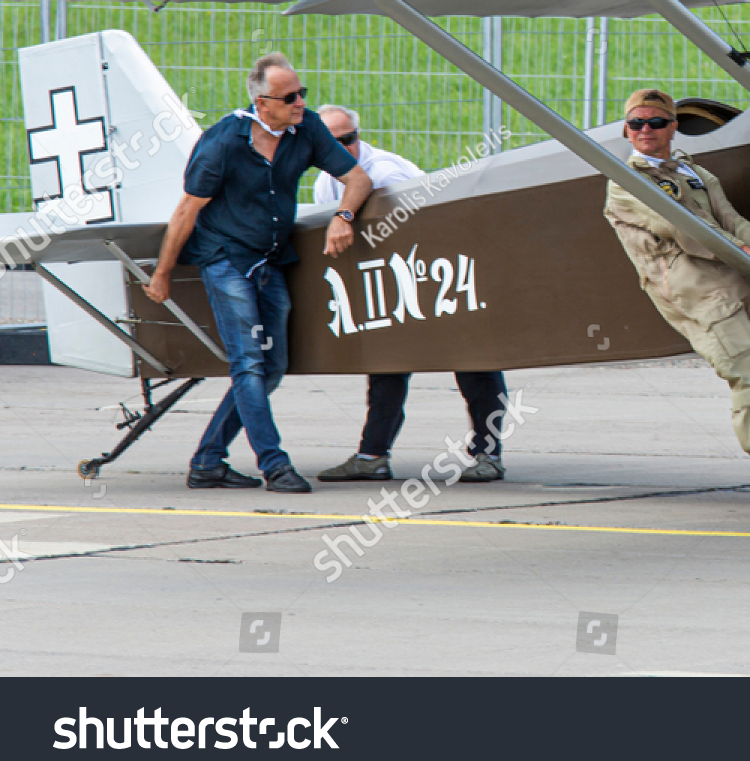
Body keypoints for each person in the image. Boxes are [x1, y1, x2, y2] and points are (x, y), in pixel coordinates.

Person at [602, 88, 750, 524]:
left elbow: (731, 219)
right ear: (626, 130)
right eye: (636, 123)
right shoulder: (625, 183)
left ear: (674, 127)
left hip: (741, 277)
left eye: (656, 122)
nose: (645, 130)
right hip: (696, 291)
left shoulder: (694, 172)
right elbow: (685, 228)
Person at [146, 53, 372, 493]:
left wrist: (344, 216)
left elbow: (358, 179)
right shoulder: (223, 142)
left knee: (272, 367)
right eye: (290, 98)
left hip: (270, 258)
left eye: (302, 93)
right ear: (262, 103)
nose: (300, 103)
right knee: (248, 363)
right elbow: (186, 211)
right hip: (225, 257)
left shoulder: (305, 129)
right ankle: (275, 465)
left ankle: (209, 461)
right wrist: (162, 273)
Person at [310, 105, 509, 484]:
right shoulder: (326, 179)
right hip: (394, 274)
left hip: (439, 265)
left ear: (358, 136)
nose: (342, 148)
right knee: (386, 362)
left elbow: (421, 228)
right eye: (330, 142)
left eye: (349, 139)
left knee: (472, 358)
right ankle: (372, 454)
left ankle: (489, 453)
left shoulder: (386, 172)